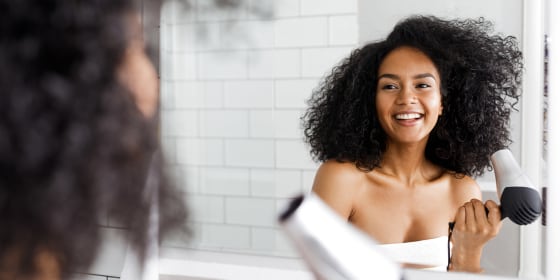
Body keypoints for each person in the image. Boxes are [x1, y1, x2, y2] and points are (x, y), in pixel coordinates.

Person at [302, 15, 522, 272]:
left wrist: (469, 251)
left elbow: (463, 272)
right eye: (390, 86)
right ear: (370, 100)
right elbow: (317, 273)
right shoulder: (341, 180)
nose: (407, 98)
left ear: (443, 103)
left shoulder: (461, 190)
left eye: (423, 84)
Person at [0, 0, 188, 279]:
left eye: (142, 49)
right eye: (126, 49)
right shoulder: (22, 249)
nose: (148, 82)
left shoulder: (39, 235)